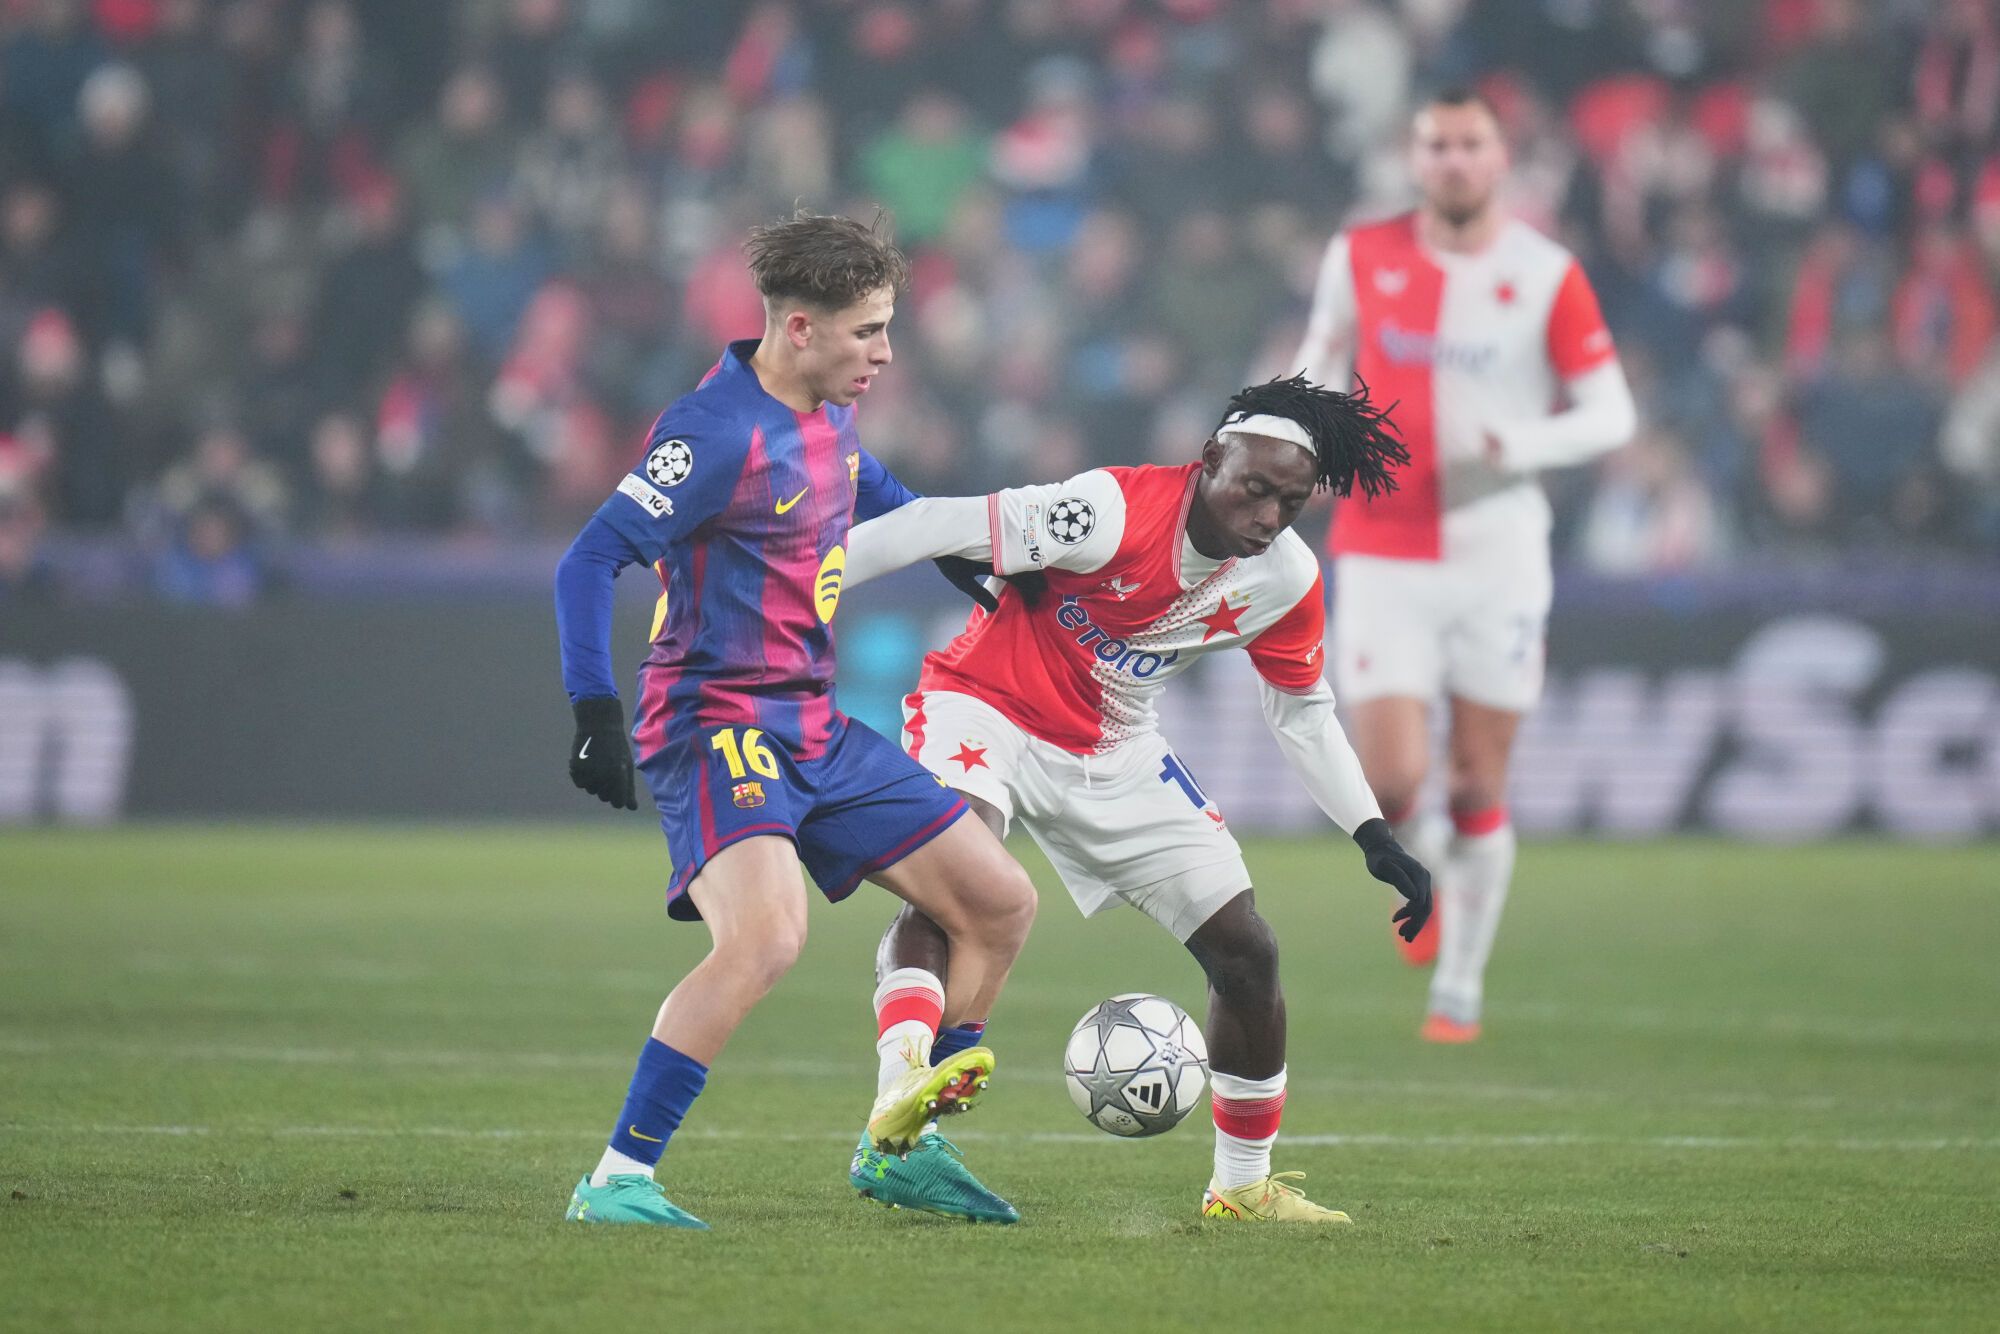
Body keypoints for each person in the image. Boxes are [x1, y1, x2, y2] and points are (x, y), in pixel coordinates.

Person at [841, 374, 1435, 1224]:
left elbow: (1302, 710)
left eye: (1291, 502)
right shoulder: (1108, 509)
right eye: (1255, 489)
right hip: (985, 706)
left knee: (1247, 952)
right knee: (957, 884)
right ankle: (900, 1098)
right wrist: (811, 585)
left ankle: (1241, 1189)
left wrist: (1374, 832)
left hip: (1115, 749)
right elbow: (933, 523)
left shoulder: (1286, 579)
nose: (1268, 516)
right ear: (1209, 461)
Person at [552, 210, 1037, 1229]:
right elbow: (589, 557)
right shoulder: (713, 430)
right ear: (800, 328)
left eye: (888, 327)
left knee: (997, 902)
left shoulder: (827, 411)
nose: (886, 352)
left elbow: (871, 490)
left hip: (810, 720)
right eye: (868, 331)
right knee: (766, 938)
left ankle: (901, 1140)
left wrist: (961, 556)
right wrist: (594, 708)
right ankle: (616, 1178)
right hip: (714, 717)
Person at [1292, 88, 1637, 1042]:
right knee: (1395, 779)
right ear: (1415, 159)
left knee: (1480, 779)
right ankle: (1425, 866)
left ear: (1501, 159)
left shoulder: (1545, 272)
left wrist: (1521, 440)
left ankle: (1460, 989)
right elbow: (1317, 365)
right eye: (1435, 144)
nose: (1452, 160)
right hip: (1383, 547)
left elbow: (1611, 413)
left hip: (1497, 552)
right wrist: (1295, 435)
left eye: (1469, 144)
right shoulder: (1360, 256)